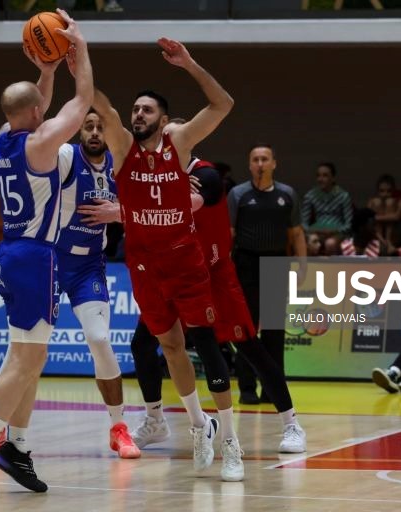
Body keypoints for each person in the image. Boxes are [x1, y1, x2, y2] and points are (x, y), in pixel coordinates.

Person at [0, 9, 93, 499]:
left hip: (12, 252)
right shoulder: (40, 142)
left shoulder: (3, 146)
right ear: (36, 114)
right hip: (34, 257)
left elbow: (40, 103)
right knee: (26, 357)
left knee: (31, 357)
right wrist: (80, 48)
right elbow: (84, 101)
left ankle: (15, 445)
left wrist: (48, 71)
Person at [92, 37, 241, 479]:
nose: (138, 114)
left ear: (162, 119)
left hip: (185, 259)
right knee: (169, 346)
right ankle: (199, 426)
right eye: (135, 109)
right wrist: (75, 53)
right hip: (143, 263)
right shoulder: (121, 146)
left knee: (205, 342)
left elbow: (224, 103)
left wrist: (190, 64)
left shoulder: (179, 143)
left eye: (147, 110)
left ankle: (230, 439)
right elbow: (96, 99)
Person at [0, 109, 141, 459]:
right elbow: (13, 162)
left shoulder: (120, 167)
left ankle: (119, 428)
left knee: (100, 339)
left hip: (89, 265)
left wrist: (119, 211)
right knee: (24, 349)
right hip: (51, 260)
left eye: (100, 126)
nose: (93, 131)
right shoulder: (66, 155)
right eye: (87, 125)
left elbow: (145, 206)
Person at [119, 150, 306, 466]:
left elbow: (197, 201)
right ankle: (155, 420)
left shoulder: (206, 175)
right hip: (175, 274)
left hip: (213, 276)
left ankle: (291, 424)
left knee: (249, 347)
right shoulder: (155, 179)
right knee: (141, 343)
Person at [228, 144, 306, 405]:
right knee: (246, 329)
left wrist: (302, 263)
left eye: (265, 159)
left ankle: (272, 389)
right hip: (245, 262)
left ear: (274, 163)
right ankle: (247, 389)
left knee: (274, 331)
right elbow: (229, 233)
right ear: (249, 165)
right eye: (255, 159)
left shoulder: (287, 194)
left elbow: (295, 233)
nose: (260, 163)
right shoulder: (238, 194)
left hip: (276, 264)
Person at [300, 162, 353, 242]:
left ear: (333, 178)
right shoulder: (310, 196)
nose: (320, 179)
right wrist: (312, 231)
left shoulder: (343, 196)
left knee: (330, 243)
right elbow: (304, 222)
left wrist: (335, 231)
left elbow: (349, 224)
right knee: (312, 241)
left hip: (337, 232)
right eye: (318, 175)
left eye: (325, 175)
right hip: (317, 230)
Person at [367, 174, 401, 247]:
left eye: (389, 191)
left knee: (389, 202)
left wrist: (375, 217)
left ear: (393, 190)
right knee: (376, 202)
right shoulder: (372, 201)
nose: (385, 194)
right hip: (376, 232)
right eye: (382, 191)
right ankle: (381, 241)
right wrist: (374, 218)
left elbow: (396, 217)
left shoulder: (400, 201)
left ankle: (388, 240)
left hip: (394, 231)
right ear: (377, 190)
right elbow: (367, 218)